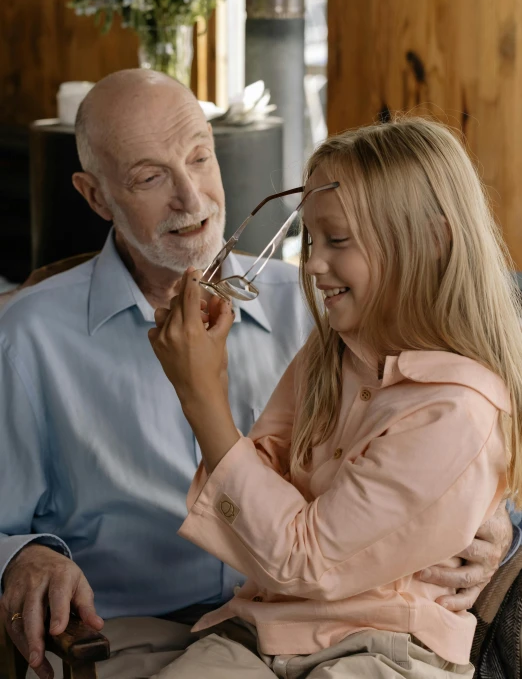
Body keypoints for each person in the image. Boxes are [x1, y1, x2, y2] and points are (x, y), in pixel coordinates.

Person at [0, 74, 513, 679]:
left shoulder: (327, 305)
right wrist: (22, 559)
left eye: (199, 157)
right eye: (149, 176)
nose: (191, 199)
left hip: (348, 629)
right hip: (132, 632)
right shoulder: (27, 334)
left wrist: (495, 519)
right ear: (96, 196)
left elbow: (452, 446)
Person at [148, 116, 522, 678]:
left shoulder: (458, 407)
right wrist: (210, 375)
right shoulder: (332, 352)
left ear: (432, 240)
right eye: (311, 238)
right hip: (261, 628)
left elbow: (302, 558)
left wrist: (202, 396)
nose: (315, 263)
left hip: (385, 650)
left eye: (338, 240)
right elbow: (256, 510)